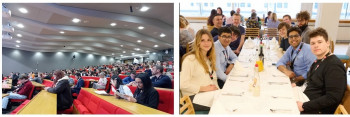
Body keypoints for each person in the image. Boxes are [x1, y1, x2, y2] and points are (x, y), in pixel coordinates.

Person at [297, 27, 347, 114]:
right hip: (305, 99)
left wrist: (304, 106)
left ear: (327, 43)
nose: (316, 45)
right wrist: (296, 84)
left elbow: (332, 97)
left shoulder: (334, 65)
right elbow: (311, 80)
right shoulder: (319, 60)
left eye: (319, 42)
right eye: (312, 43)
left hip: (316, 110)